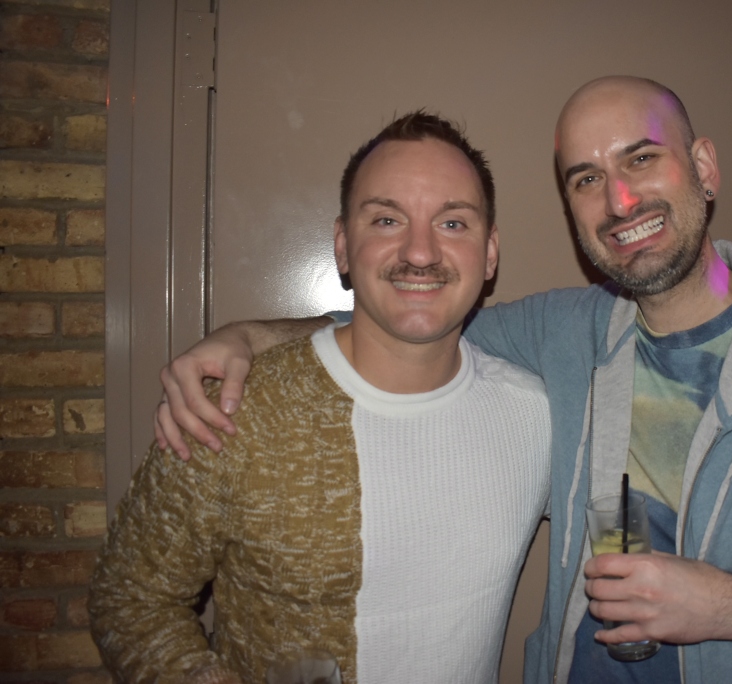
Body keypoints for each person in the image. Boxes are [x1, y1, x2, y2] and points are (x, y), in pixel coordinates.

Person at [155, 77, 732, 684]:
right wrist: (246, 336)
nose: (619, 199)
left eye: (642, 159)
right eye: (586, 179)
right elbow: (409, 314)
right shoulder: (559, 335)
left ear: (704, 166)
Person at [89, 113, 551, 683]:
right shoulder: (235, 410)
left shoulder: (534, 415)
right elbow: (130, 600)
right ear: (342, 247)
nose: (421, 252)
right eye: (387, 219)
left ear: (490, 252)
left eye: (453, 223)